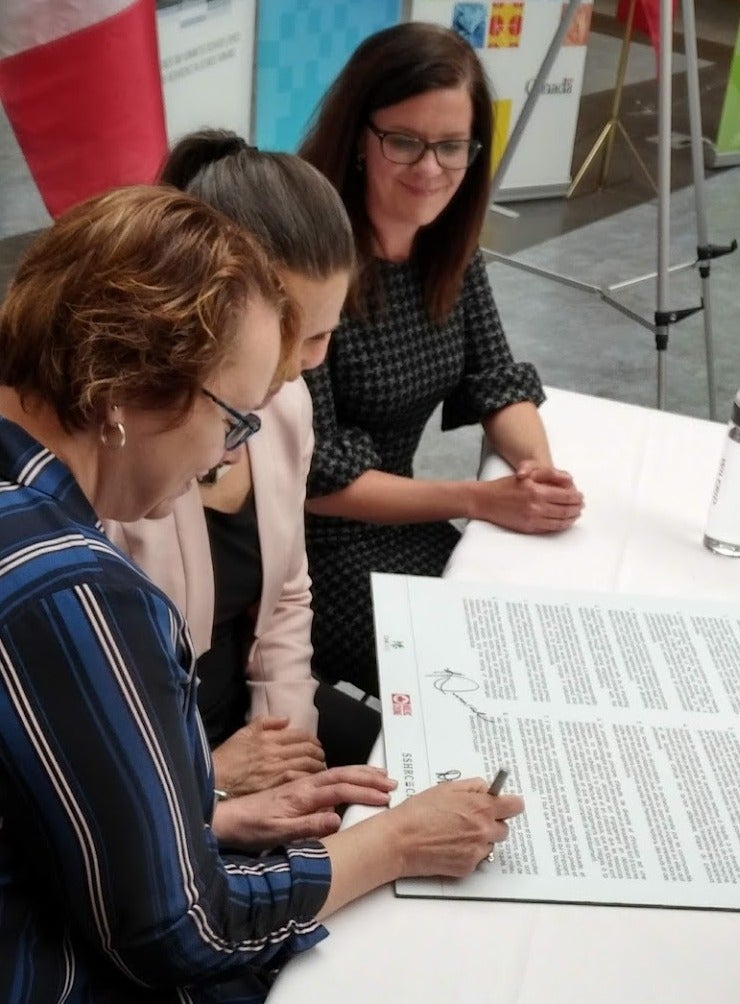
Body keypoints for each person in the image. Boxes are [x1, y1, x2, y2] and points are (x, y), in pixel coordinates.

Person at [0, 185, 524, 1002]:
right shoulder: (76, 589)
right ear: (127, 390)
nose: (220, 459)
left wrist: (198, 815)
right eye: (231, 419)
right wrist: (391, 844)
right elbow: (183, 934)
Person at [300, 22, 585, 695]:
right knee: (477, 672)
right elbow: (312, 479)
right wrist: (479, 499)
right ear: (359, 141)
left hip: (405, 516)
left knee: (530, 633)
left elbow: (496, 381)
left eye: (451, 147)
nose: (430, 170)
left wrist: (534, 474)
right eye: (404, 142)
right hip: (307, 552)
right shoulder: (309, 260)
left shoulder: (447, 251)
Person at [107, 131, 378, 792]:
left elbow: (288, 592)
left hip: (244, 726)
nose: (298, 365)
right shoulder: (123, 449)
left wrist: (287, 737)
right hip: (145, 755)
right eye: (287, 332)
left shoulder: (286, 404)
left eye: (323, 334)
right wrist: (214, 778)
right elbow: (95, 715)